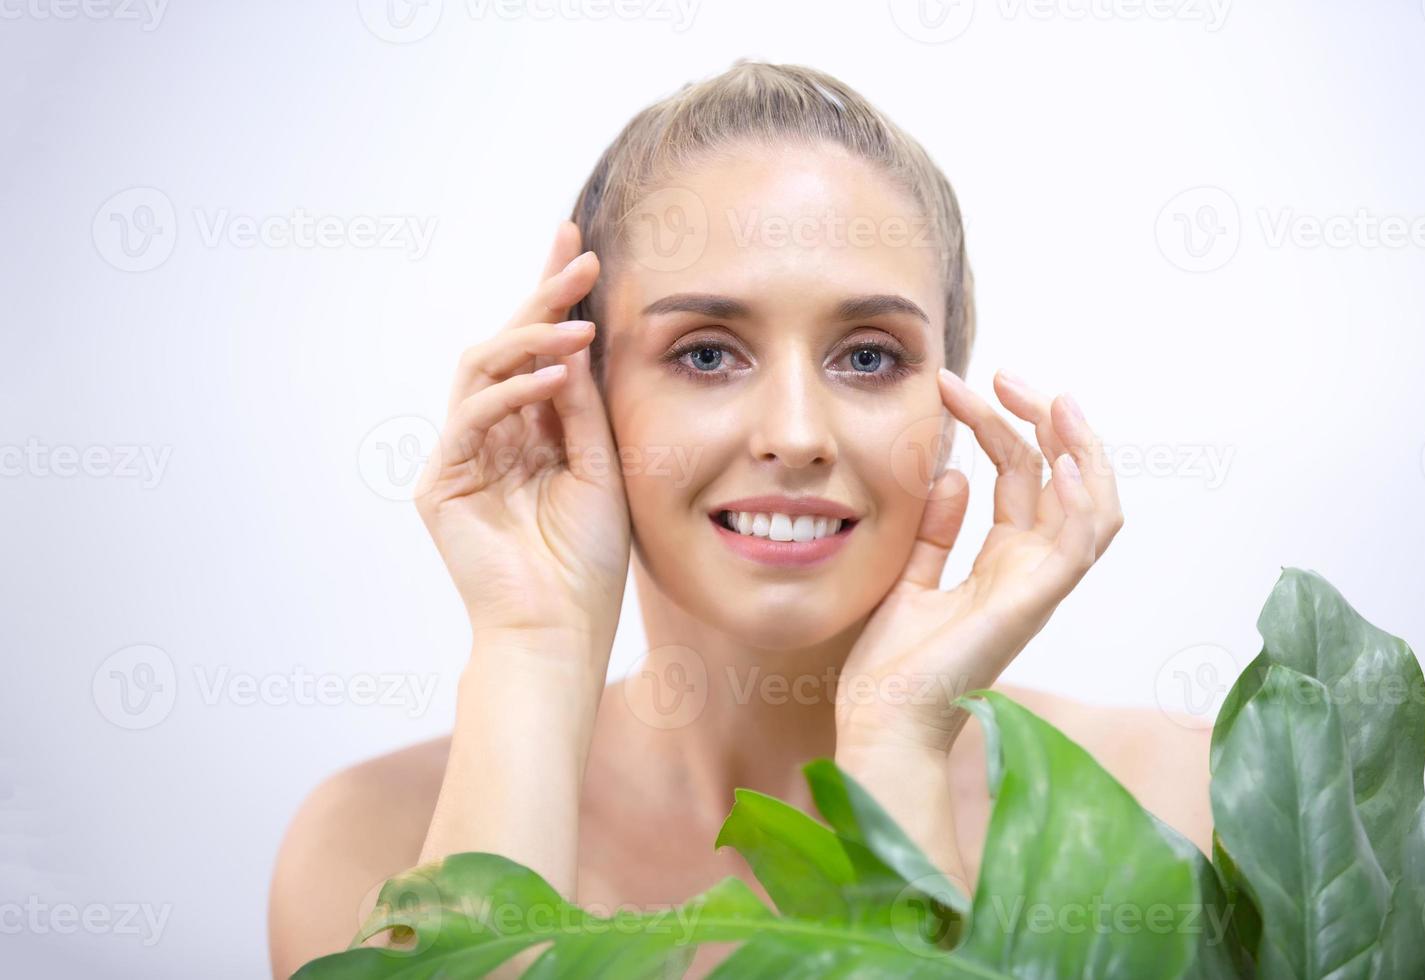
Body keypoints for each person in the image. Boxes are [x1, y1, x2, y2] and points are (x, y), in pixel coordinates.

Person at [268, 60, 1212, 979]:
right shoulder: (369, 844)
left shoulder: (1172, 811)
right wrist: (534, 644)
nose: (796, 435)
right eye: (709, 355)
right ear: (579, 394)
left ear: (947, 407)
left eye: (871, 359)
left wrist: (895, 754)